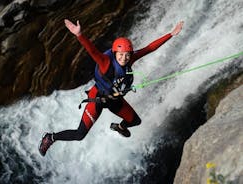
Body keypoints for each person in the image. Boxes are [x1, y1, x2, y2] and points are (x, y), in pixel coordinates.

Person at [39, 19, 184, 156]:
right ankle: (50, 137)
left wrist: (171, 34)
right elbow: (92, 51)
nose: (124, 58)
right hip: (98, 99)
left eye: (127, 55)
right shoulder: (105, 62)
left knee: (134, 121)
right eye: (121, 55)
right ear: (115, 53)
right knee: (79, 135)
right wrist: (79, 35)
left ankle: (119, 127)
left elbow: (149, 48)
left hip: (114, 99)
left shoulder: (130, 58)